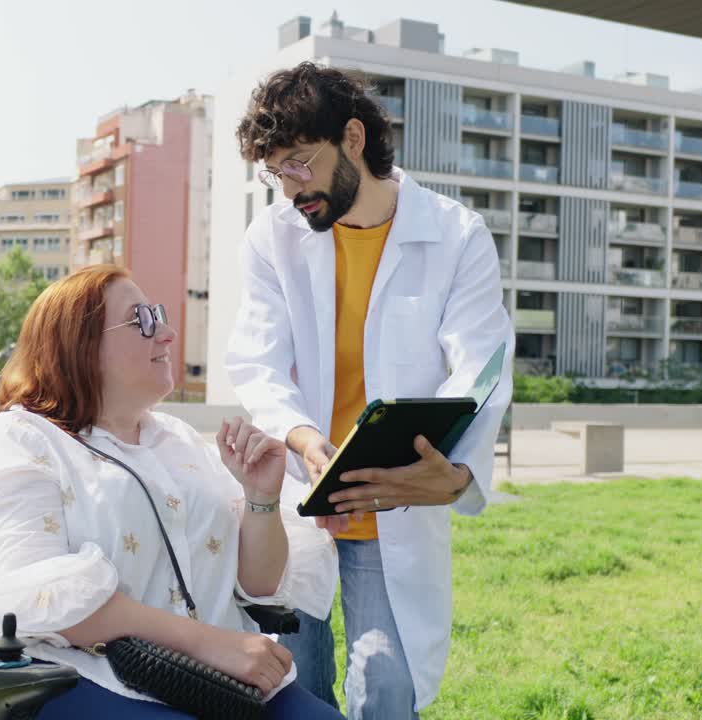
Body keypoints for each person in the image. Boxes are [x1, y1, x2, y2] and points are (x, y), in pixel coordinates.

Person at [0, 265, 344, 720]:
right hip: (81, 673)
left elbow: (259, 586)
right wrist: (211, 644)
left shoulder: (178, 440)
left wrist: (260, 498)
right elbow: (40, 595)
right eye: (141, 319)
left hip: (218, 678)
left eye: (158, 315)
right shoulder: (21, 440)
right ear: (79, 345)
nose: (167, 333)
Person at [226, 62, 515, 719]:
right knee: (291, 688)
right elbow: (257, 361)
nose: (289, 188)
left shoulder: (455, 235)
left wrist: (454, 475)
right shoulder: (272, 239)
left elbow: (480, 366)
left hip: (394, 504)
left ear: (353, 138)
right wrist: (304, 440)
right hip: (298, 500)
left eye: (300, 163)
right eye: (275, 172)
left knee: (387, 689)